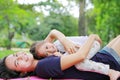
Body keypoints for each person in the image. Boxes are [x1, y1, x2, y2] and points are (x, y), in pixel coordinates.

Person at [0, 34, 120, 80]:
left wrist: (63, 40)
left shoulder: (39, 60)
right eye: (17, 62)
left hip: (104, 56)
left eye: (16, 55)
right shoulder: (44, 66)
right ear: (21, 73)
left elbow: (51, 35)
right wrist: (92, 37)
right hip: (111, 61)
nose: (21, 57)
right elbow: (80, 56)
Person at [30, 29, 110, 75]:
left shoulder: (59, 44)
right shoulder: (54, 54)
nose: (50, 50)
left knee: (79, 64)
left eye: (47, 47)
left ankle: (108, 71)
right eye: (47, 54)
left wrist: (62, 56)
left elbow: (78, 52)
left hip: (92, 43)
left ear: (47, 42)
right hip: (87, 47)